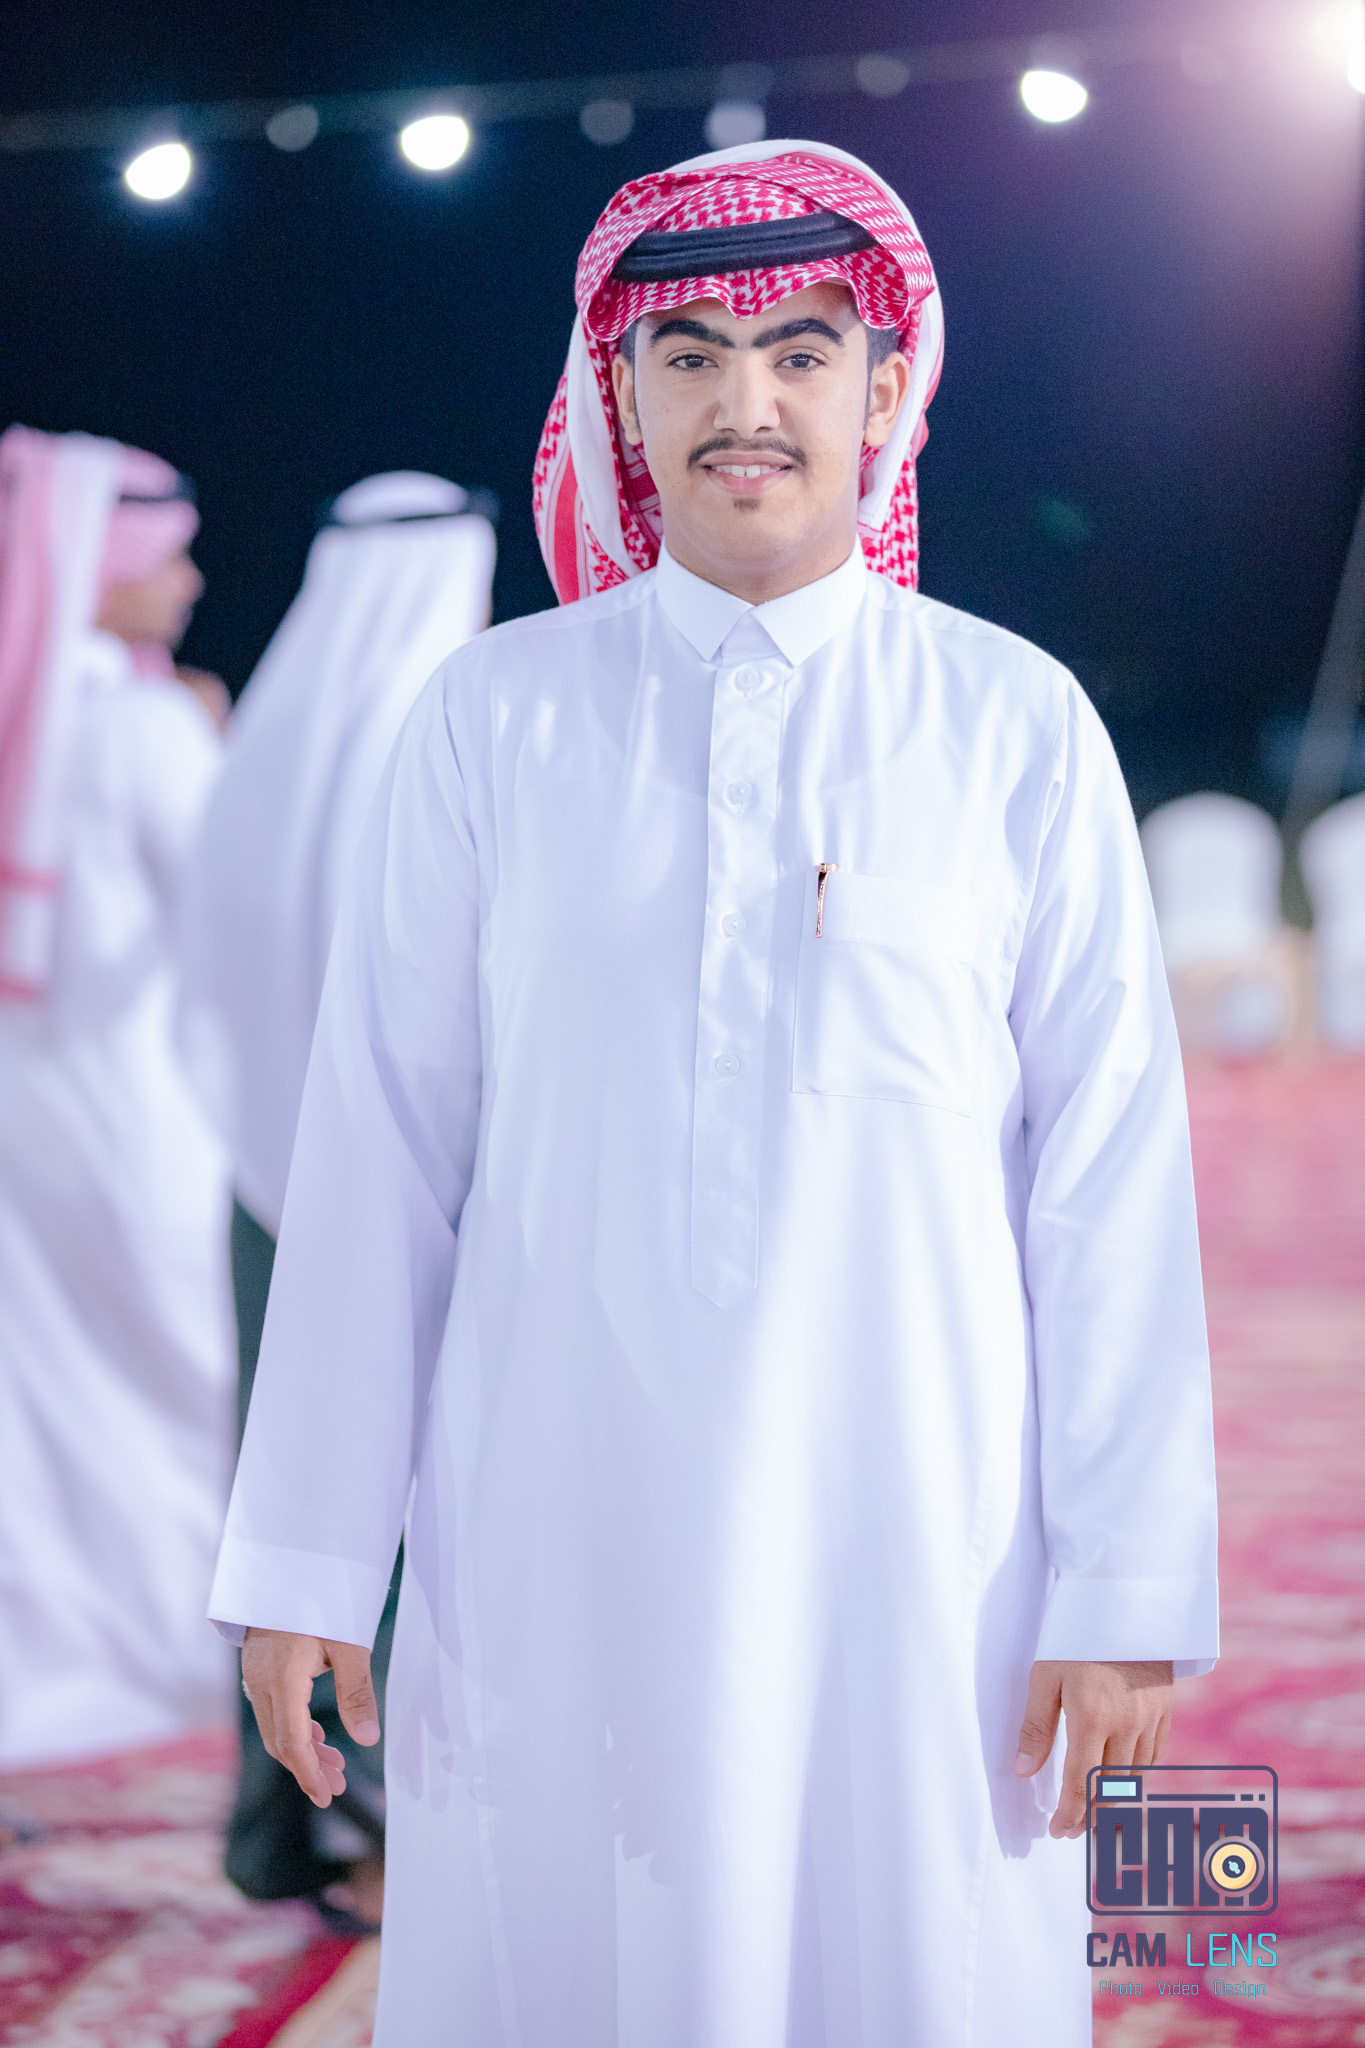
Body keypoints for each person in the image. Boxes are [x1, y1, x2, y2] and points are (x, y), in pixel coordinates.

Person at [212, 141, 1219, 2046]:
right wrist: (309, 1558)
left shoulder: (1012, 722)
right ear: (620, 399)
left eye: (800, 353)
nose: (743, 402)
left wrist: (1126, 1586)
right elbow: (378, 1161)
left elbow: (1108, 1183)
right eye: (686, 356)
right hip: (556, 1528)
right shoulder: (491, 721)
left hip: (923, 1549)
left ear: (885, 393)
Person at [181, 471, 496, 1928]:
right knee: (390, 1501)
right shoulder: (427, 734)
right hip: (392, 1194)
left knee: (291, 1493)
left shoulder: (268, 737)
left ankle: (285, 1818)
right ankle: (365, 1821)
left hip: (262, 1180)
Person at [0, 426, 233, 1766]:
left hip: (28, 1119)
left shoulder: (41, 714)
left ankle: (72, 1648)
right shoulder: (148, 725)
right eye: (170, 555)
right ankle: (185, 1653)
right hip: (142, 1116)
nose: (191, 580)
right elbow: (229, 908)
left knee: (52, 1397)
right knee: (190, 1378)